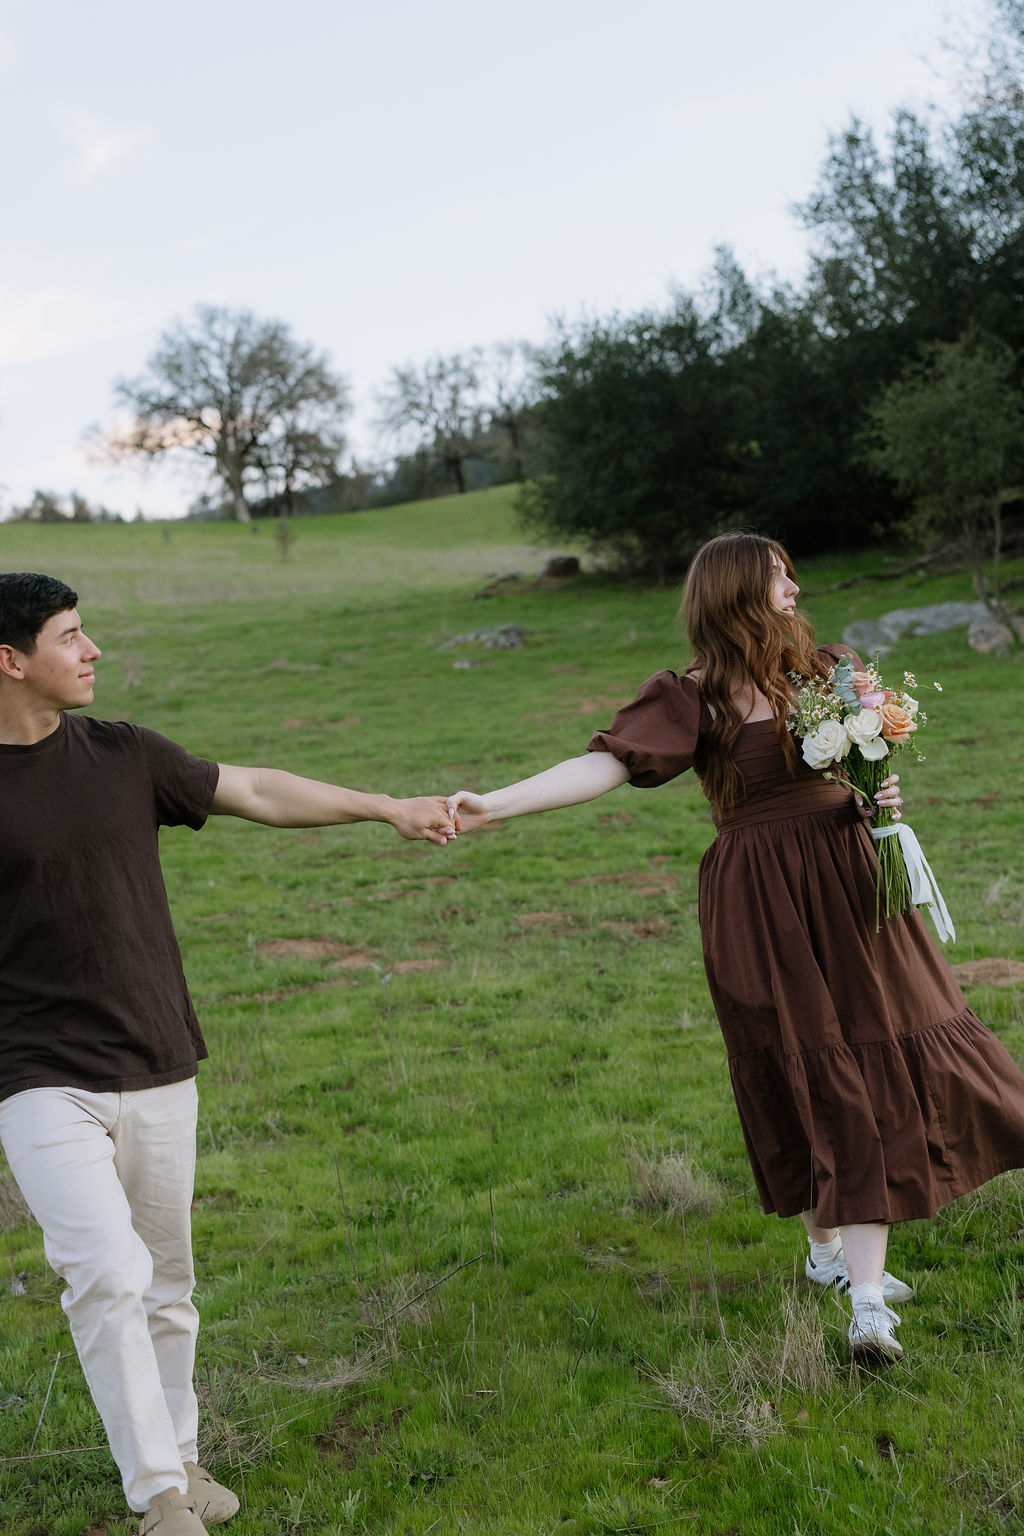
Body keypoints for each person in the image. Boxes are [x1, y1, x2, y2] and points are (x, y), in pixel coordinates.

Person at [446, 531, 1024, 1364]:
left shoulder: (830, 670)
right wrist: (493, 805)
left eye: (791, 572)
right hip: (762, 903)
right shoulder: (694, 698)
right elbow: (604, 767)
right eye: (777, 575)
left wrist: (878, 791)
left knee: (874, 1061)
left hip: (853, 887)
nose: (794, 587)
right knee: (808, 1067)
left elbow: (862, 766)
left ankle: (867, 1305)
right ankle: (828, 1255)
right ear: (736, 593)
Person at [0, 572, 456, 1536]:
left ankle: (183, 1456)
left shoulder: (124, 754)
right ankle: (160, 1499)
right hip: (35, 1075)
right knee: (105, 1275)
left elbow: (252, 788)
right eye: (69, 635)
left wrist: (386, 806)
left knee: (167, 1282)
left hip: (158, 1056)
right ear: (10, 659)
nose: (92, 650)